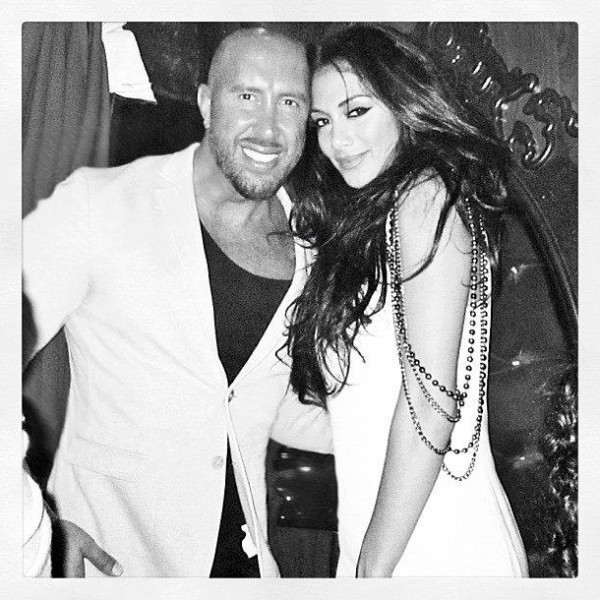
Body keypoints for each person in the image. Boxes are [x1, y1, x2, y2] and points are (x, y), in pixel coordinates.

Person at [22, 27, 331, 577]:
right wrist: (32, 523)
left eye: (289, 102)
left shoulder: (310, 245)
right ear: (207, 103)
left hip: (246, 565)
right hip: (117, 564)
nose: (268, 127)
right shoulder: (101, 205)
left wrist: (412, 429)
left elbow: (261, 405)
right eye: (247, 95)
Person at [286, 23, 529, 577]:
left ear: (404, 104)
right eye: (322, 122)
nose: (336, 140)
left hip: (436, 547)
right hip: (389, 539)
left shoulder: (424, 197)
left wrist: (371, 570)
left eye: (356, 111)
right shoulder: (377, 217)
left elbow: (430, 406)